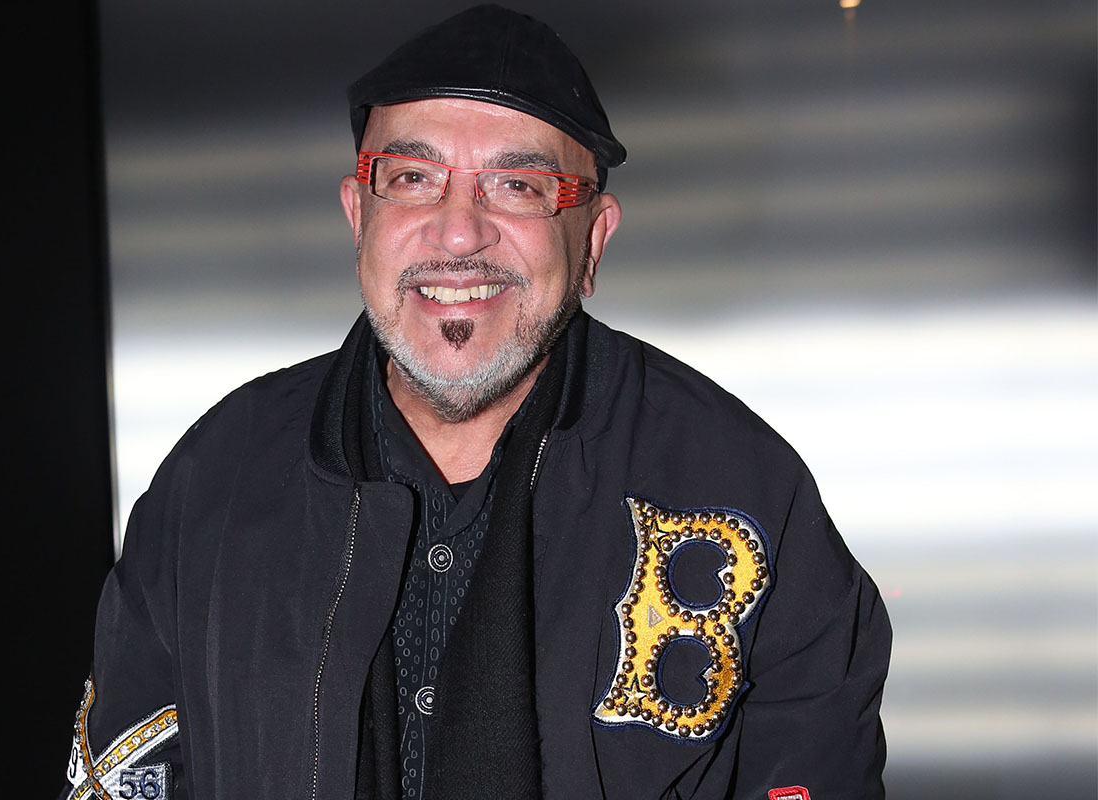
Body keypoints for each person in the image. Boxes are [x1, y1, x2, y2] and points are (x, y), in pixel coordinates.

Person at [60, 6, 891, 799]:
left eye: (519, 185)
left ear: (593, 241)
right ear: (358, 216)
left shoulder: (746, 491)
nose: (459, 232)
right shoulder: (216, 480)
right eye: (413, 178)